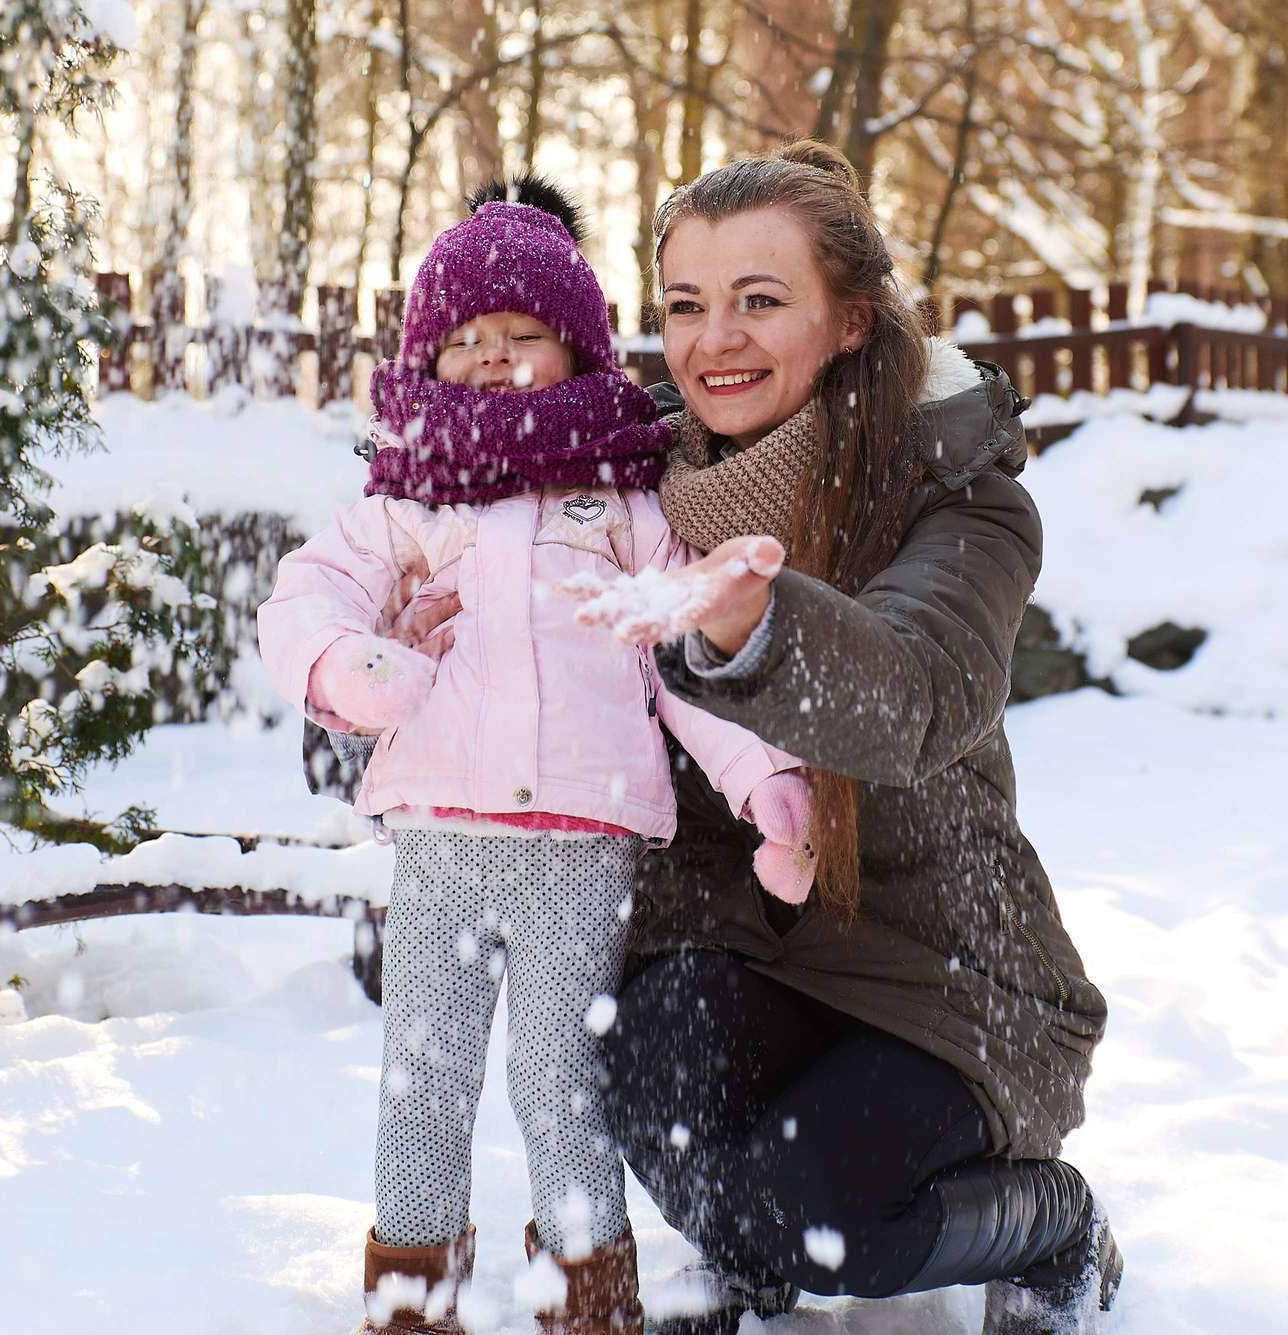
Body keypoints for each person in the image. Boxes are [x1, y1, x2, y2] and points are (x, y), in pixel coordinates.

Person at [576, 141, 1121, 1335]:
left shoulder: (960, 497)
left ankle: (1053, 1227)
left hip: (945, 978)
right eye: (685, 306)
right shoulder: (625, 500)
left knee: (825, 1220)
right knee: (632, 1060)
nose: (714, 339)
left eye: (759, 301)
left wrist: (755, 622)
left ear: (851, 322)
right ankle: (743, 1241)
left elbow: (918, 692)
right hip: (737, 947)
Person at [258, 182, 813, 1335]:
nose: (492, 362)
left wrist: (763, 779)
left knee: (561, 1082)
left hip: (581, 846)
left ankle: (585, 1284)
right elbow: (309, 594)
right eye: (463, 342)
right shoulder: (403, 498)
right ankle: (410, 1289)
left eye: (520, 339)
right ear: (427, 355)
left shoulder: (617, 501)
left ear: (576, 349)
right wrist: (345, 665)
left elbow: (684, 649)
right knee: (424, 1081)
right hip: (441, 841)